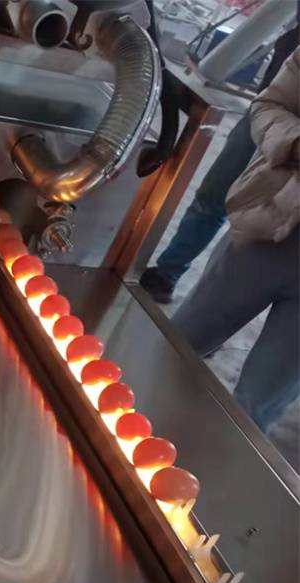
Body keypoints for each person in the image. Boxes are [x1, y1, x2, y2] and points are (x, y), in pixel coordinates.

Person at [171, 46, 299, 433]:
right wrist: (294, 142)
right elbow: (270, 105)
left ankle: (196, 470)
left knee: (256, 408)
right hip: (268, 227)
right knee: (176, 347)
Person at [140, 22, 299, 303]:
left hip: (291, 141)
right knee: (213, 197)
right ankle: (168, 274)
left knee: (265, 224)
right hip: (265, 115)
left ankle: (214, 304)